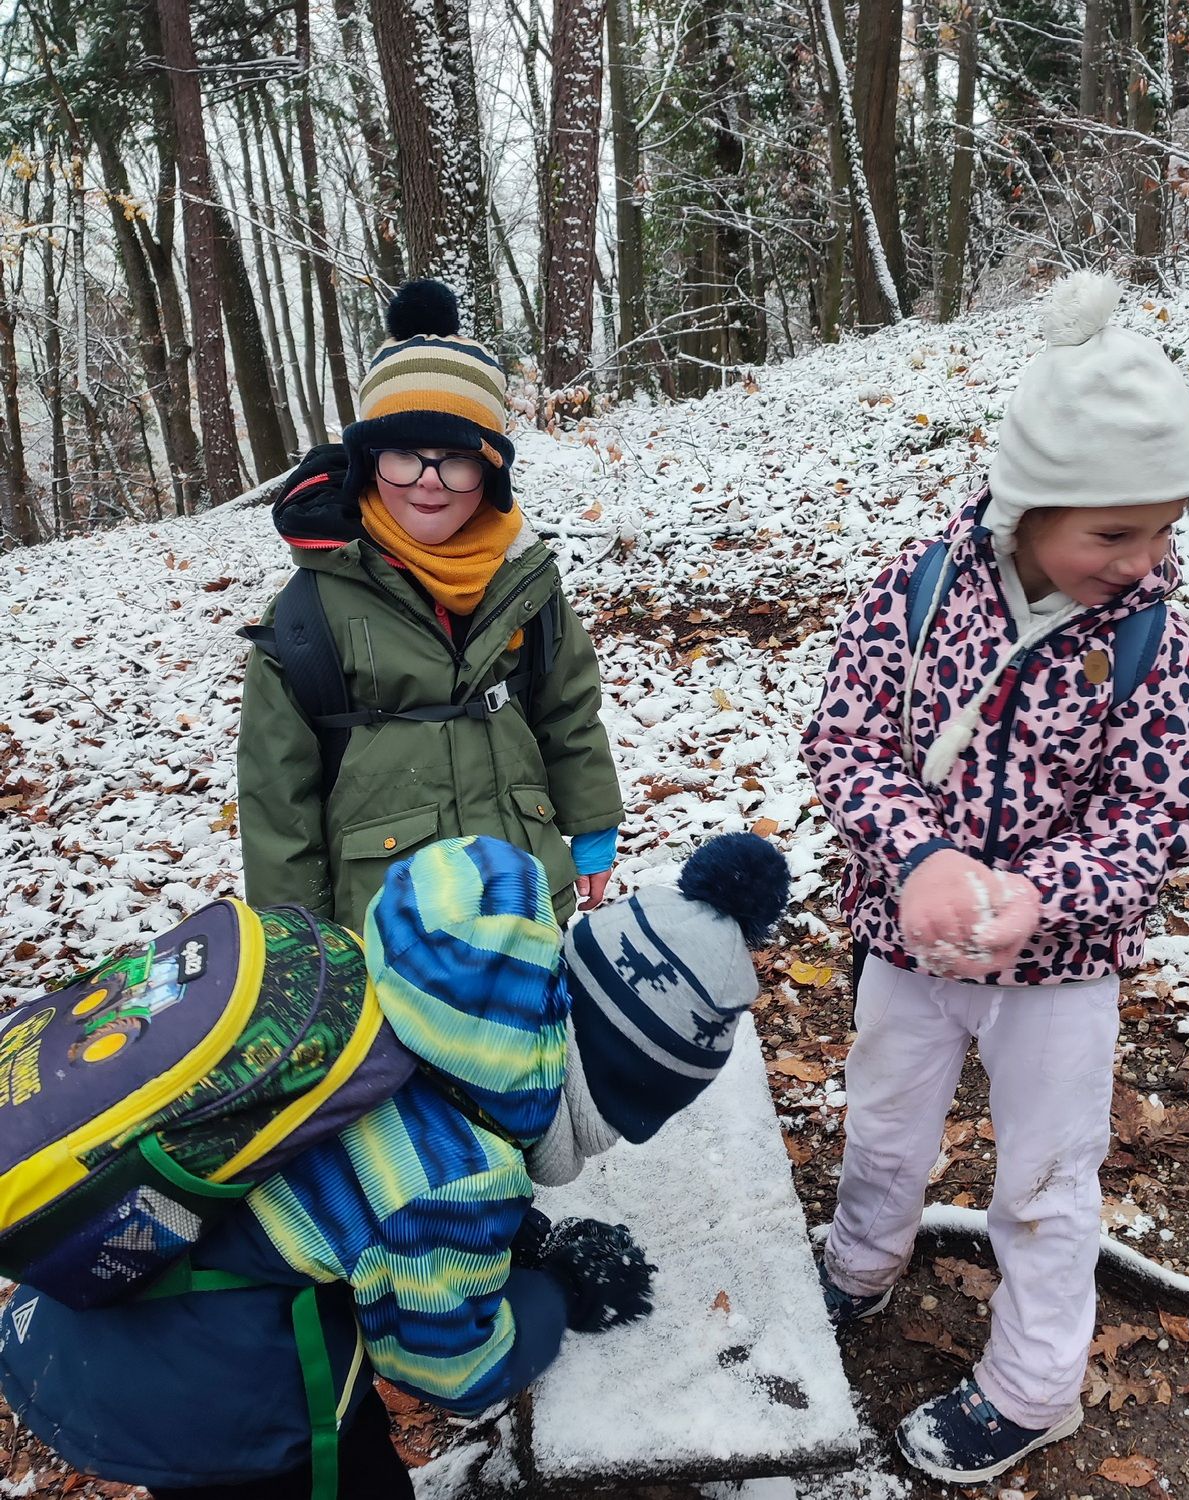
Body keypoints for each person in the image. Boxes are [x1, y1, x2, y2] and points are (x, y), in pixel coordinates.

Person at [0, 831, 791, 1499]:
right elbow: (450, 1368)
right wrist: (559, 1291)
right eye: (626, 1118)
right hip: (209, 1394)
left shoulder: (424, 1008)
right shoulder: (461, 1179)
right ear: (609, 1085)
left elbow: (364, 1181)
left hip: (120, 1296)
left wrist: (507, 1238)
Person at [800, 270, 1189, 1484]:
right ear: (1029, 506)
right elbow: (843, 743)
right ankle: (861, 1263)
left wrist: (1045, 895)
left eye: (1163, 531)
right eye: (1114, 535)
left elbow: (1167, 807)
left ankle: (1033, 1384)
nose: (1144, 562)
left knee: (1046, 1177)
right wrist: (919, 857)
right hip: (910, 942)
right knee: (885, 1120)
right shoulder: (917, 594)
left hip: (1062, 970)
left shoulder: (1148, 644)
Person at [238, 278, 623, 929]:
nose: (428, 481)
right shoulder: (311, 613)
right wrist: (298, 934)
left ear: (491, 471)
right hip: (391, 924)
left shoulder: (524, 581)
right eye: (404, 456)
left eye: (455, 459)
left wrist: (592, 823)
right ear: (367, 461)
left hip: (523, 897)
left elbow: (567, 708)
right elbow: (277, 796)